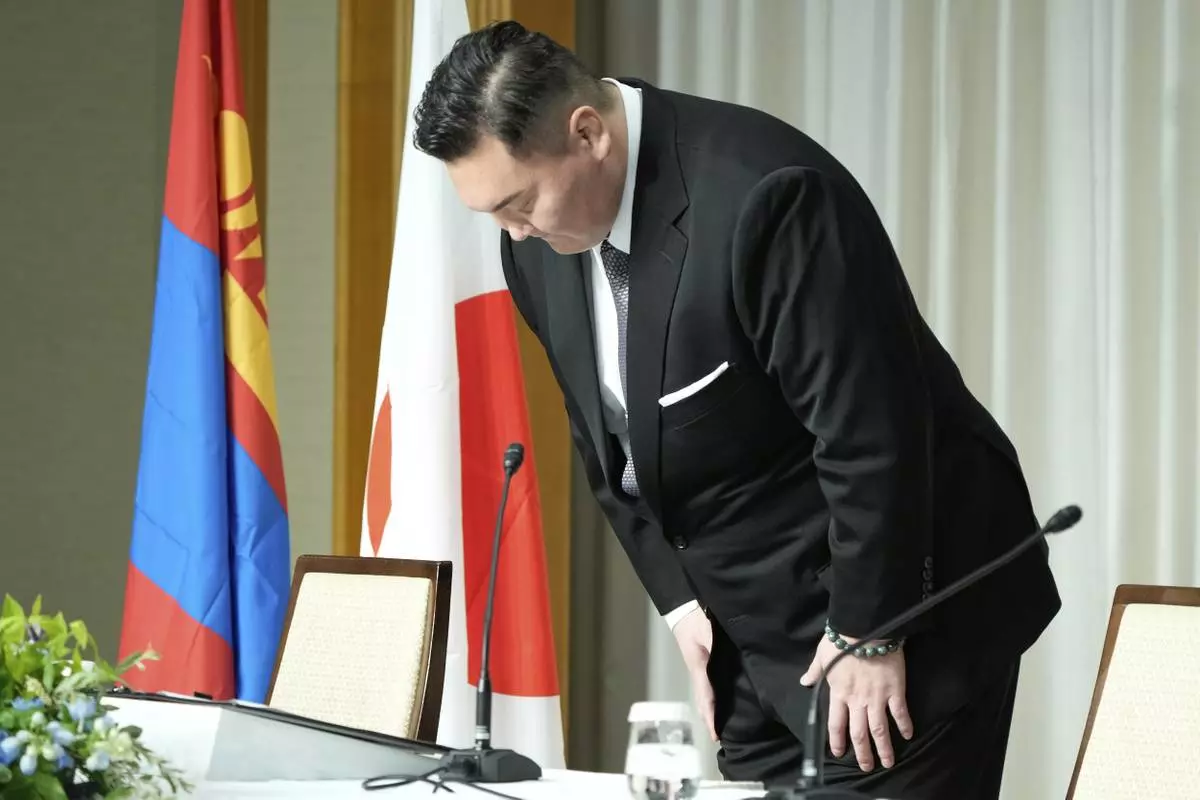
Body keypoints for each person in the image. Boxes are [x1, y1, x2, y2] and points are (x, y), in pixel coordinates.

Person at [411, 20, 1061, 799]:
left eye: (519, 202)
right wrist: (683, 605)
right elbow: (610, 449)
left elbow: (872, 432)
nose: (511, 231)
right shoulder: (535, 248)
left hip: (901, 620)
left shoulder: (767, 196)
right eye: (491, 213)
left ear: (587, 134)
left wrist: (870, 631)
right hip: (752, 646)